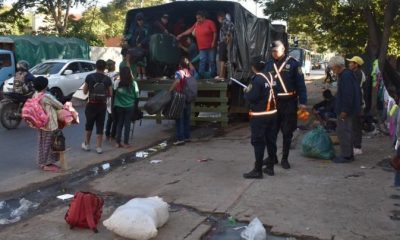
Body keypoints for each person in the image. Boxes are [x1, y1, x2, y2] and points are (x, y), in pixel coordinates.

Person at [263, 40, 307, 169]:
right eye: (272, 51)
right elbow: (264, 82)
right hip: (273, 103)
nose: (274, 53)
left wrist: (303, 102)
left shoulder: (293, 64)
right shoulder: (269, 64)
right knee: (271, 132)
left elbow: (301, 85)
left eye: (276, 51)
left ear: (283, 50)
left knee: (287, 133)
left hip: (289, 103)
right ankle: (273, 157)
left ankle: (285, 158)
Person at [243, 57, 278, 178]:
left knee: (258, 142)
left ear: (253, 67)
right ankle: (270, 167)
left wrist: (246, 91)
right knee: (271, 141)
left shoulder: (256, 80)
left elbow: (252, 97)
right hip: (272, 114)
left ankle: (258, 170)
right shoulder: (271, 77)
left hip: (259, 116)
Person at [328, 56, 362, 163]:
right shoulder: (346, 74)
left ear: (338, 66)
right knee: (346, 131)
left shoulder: (346, 76)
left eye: (333, 68)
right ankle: (348, 154)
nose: (332, 70)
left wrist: (344, 110)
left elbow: (348, 95)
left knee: (344, 131)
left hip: (346, 110)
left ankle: (346, 156)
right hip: (347, 109)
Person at [33, 76, 64, 172]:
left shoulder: (35, 95)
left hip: (40, 123)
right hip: (49, 124)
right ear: (45, 86)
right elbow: (60, 105)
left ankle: (43, 162)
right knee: (49, 145)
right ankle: (45, 164)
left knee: (42, 143)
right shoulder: (47, 96)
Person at [82, 60, 113, 154]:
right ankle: (99, 147)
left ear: (96, 66)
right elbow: (111, 94)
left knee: (89, 124)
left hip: (91, 104)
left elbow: (84, 91)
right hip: (102, 105)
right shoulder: (107, 79)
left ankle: (87, 145)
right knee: (100, 125)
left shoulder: (89, 77)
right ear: (105, 68)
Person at [177, 10, 217, 78]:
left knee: (212, 60)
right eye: (197, 18)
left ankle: (213, 74)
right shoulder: (196, 24)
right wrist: (181, 35)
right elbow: (190, 30)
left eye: (199, 18)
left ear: (203, 17)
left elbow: (215, 32)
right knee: (202, 60)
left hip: (210, 46)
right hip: (202, 47)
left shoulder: (210, 22)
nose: (197, 20)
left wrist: (213, 42)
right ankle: (201, 74)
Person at [169, 57, 193, 146]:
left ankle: (180, 138)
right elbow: (192, 67)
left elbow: (177, 82)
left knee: (179, 118)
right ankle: (187, 136)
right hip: (188, 97)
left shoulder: (179, 73)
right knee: (187, 118)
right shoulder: (190, 72)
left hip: (180, 97)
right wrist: (188, 62)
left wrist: (170, 90)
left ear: (179, 65)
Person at [114, 66, 138, 148]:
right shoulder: (133, 83)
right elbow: (136, 96)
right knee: (127, 124)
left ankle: (117, 142)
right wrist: (136, 107)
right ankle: (126, 143)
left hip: (118, 106)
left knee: (119, 123)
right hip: (130, 106)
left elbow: (113, 94)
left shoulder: (117, 82)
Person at [347, 56, 365, 155]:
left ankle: (357, 146)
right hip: (356, 102)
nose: (349, 64)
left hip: (358, 103)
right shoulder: (355, 73)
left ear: (356, 65)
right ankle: (354, 145)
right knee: (353, 124)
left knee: (357, 125)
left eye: (351, 63)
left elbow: (355, 90)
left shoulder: (358, 74)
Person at [125, 13, 149, 80]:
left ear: (143, 20)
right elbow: (130, 35)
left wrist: (141, 43)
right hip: (136, 48)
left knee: (142, 62)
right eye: (138, 20)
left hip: (144, 48)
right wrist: (126, 39)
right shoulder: (135, 29)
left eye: (141, 20)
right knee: (138, 62)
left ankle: (144, 75)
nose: (140, 21)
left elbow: (147, 37)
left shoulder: (146, 28)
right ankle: (138, 75)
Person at [215, 12, 234, 80]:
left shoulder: (225, 22)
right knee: (223, 59)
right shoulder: (225, 23)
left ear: (220, 17)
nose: (218, 20)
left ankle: (221, 76)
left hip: (223, 42)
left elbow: (231, 25)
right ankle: (222, 75)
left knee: (222, 59)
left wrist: (227, 36)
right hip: (223, 42)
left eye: (218, 18)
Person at [105, 59, 119, 142]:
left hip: (106, 98)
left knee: (110, 116)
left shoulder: (105, 75)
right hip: (114, 97)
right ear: (112, 66)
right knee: (115, 118)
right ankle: (113, 134)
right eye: (114, 64)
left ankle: (107, 132)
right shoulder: (116, 75)